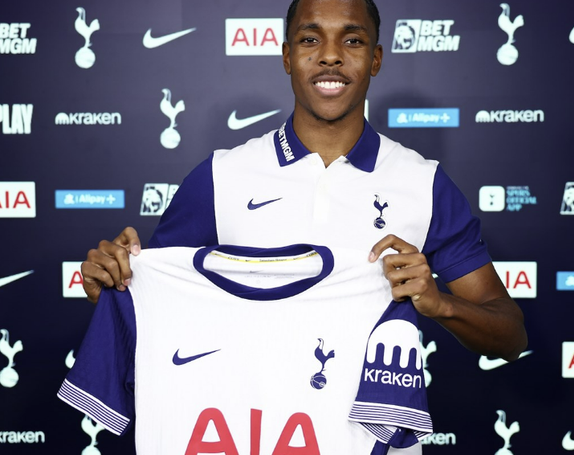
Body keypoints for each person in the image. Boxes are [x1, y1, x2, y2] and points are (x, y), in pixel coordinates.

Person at [77, 0, 527, 450]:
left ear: (376, 59)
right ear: (287, 55)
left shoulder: (424, 183)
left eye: (352, 40)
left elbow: (510, 336)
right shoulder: (220, 176)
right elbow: (157, 307)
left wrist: (440, 304)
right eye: (311, 39)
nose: (330, 55)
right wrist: (115, 281)